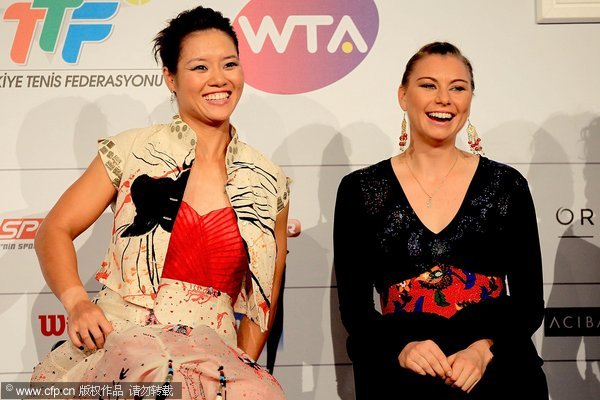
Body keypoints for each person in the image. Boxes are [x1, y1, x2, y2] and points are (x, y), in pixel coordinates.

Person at [30, 6, 290, 400]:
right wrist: (77, 302)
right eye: (199, 67)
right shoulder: (133, 149)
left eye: (230, 64)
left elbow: (262, 298)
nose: (219, 79)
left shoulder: (268, 180)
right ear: (170, 77)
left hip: (214, 356)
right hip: (123, 349)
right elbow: (55, 229)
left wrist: (240, 364)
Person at [333, 42, 548, 399]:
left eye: (458, 87)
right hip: (403, 370)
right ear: (403, 95)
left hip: (496, 366)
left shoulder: (506, 185)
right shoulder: (361, 189)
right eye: (428, 85)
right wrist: (402, 349)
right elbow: (354, 309)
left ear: (470, 99)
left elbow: (529, 302)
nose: (444, 99)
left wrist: (482, 351)